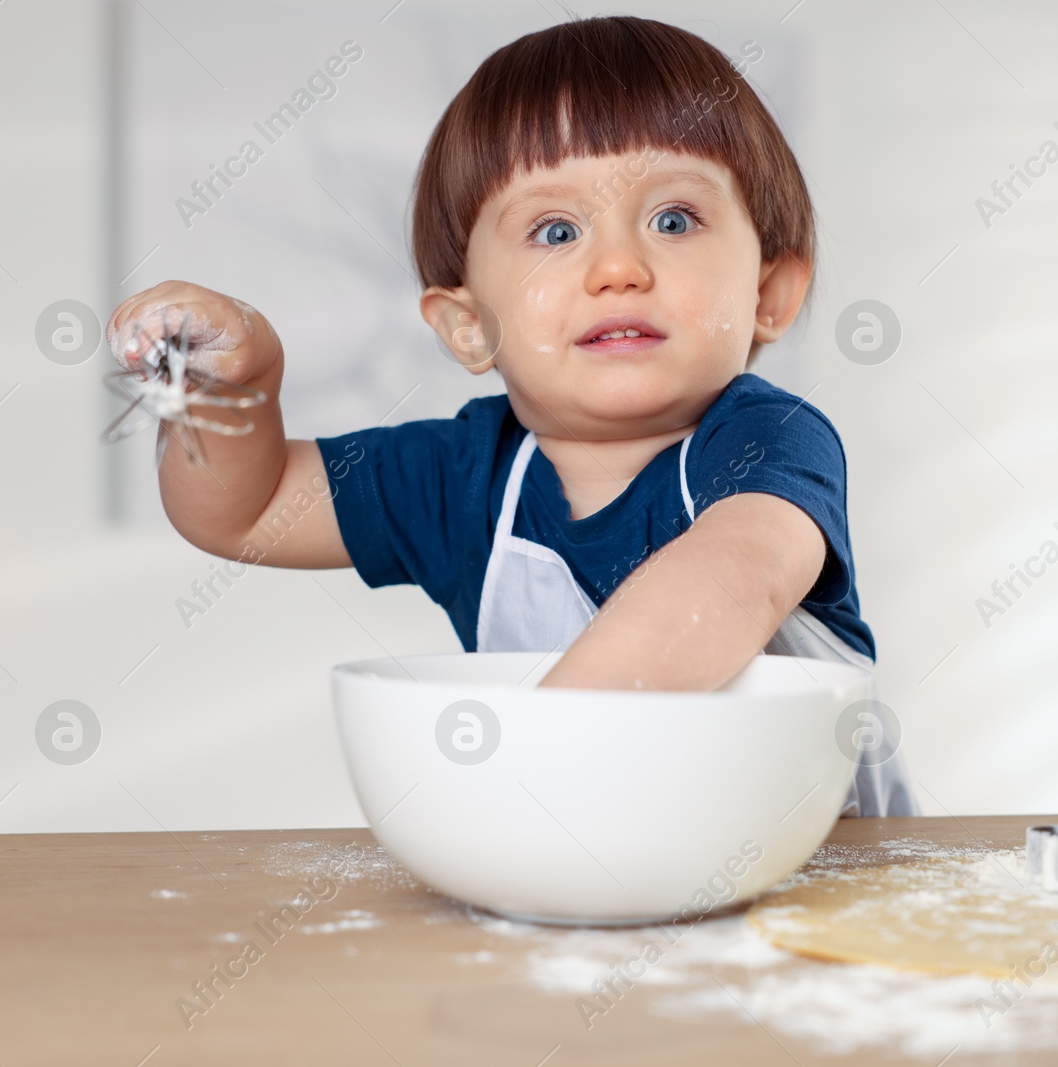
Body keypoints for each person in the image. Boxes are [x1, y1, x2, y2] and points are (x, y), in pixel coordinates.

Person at [104, 16, 916, 818]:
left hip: (815, 903)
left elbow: (729, 582)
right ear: (469, 326)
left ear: (769, 293)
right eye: (555, 230)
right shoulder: (470, 477)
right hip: (568, 887)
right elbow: (247, 510)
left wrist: (526, 763)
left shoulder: (766, 443)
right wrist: (231, 389)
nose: (619, 268)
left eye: (673, 220)